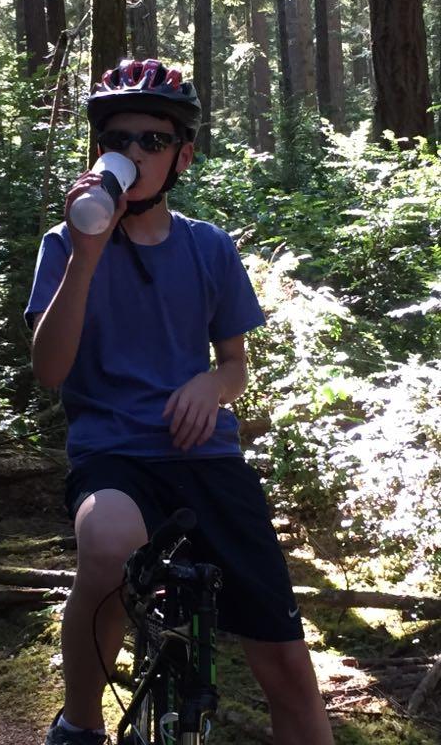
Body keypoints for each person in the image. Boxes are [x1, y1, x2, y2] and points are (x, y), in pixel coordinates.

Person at [25, 59, 334, 745]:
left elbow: (234, 367)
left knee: (287, 665)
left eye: (152, 142)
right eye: (118, 139)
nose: (133, 154)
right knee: (105, 545)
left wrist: (210, 384)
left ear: (182, 156)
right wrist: (85, 255)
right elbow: (50, 371)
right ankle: (78, 723)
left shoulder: (208, 247)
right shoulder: (63, 246)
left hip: (207, 456)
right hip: (115, 455)